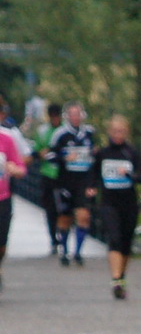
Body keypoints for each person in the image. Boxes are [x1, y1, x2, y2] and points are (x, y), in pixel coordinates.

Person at [94, 115, 141, 299]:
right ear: (109, 132)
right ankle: (116, 279)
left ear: (127, 133)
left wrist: (129, 174)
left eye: (121, 131)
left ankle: (121, 276)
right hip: (109, 203)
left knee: (125, 242)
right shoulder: (102, 153)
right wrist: (90, 189)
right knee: (114, 238)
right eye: (115, 131)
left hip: (129, 203)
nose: (118, 135)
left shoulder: (132, 153)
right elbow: (93, 175)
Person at [49, 102, 97, 266]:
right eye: (72, 114)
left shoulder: (89, 133)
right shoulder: (60, 134)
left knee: (84, 216)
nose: (75, 117)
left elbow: (96, 157)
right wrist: (64, 158)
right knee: (65, 218)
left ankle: (78, 252)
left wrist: (93, 184)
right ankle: (64, 250)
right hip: (65, 182)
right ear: (67, 116)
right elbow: (50, 156)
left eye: (78, 114)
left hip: (83, 182)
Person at [0, 115, 28, 293]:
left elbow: (21, 167)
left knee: (1, 244)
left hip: (2, 198)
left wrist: (15, 169)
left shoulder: (6, 139)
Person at [33, 104, 61, 259]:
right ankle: (53, 239)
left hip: (63, 175)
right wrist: (40, 153)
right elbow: (35, 152)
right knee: (50, 208)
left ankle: (62, 235)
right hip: (48, 173)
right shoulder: (43, 131)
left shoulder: (64, 131)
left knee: (64, 208)